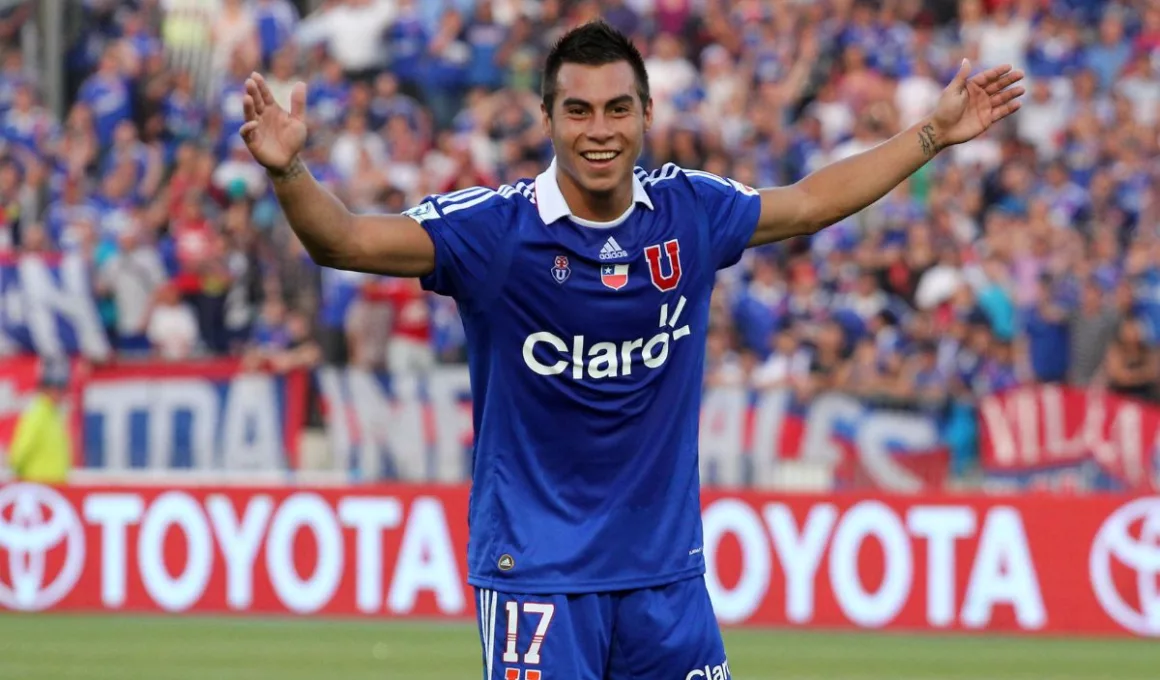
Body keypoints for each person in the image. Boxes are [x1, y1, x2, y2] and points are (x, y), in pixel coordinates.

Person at [239, 20, 1023, 678]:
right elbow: (343, 240)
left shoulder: (690, 212)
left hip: (667, 581)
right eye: (578, 111)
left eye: (618, 109)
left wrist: (931, 135)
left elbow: (811, 202)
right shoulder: (495, 233)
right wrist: (291, 172)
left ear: (646, 112)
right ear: (546, 119)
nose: (600, 130)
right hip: (538, 579)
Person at [8, 358, 73, 484]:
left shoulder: (55, 414)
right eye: (56, 388)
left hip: (55, 485)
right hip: (37, 485)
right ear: (45, 388)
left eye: (61, 388)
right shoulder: (37, 413)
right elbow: (20, 450)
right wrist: (19, 474)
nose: (60, 393)